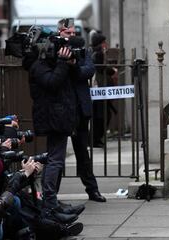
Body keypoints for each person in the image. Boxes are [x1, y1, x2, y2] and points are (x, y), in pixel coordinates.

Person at [28, 22, 82, 223]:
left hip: (59, 117)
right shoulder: (39, 66)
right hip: (53, 118)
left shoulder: (50, 64)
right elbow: (52, 83)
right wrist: (61, 63)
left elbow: (76, 75)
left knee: (54, 160)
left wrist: (69, 63)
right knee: (54, 161)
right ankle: (49, 205)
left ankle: (51, 203)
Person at [56, 19, 106, 202]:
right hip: (61, 109)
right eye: (67, 33)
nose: (71, 37)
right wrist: (62, 61)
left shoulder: (83, 51)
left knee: (83, 154)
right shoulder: (54, 50)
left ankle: (92, 190)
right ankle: (52, 195)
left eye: (73, 33)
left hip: (79, 109)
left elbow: (88, 71)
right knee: (57, 156)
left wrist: (73, 64)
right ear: (60, 33)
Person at [91, 32, 118, 148]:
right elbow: (101, 69)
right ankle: (96, 139)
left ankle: (95, 138)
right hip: (100, 88)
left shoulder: (93, 52)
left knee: (100, 114)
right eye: (104, 42)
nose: (105, 44)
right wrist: (112, 71)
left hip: (97, 88)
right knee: (102, 115)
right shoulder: (98, 53)